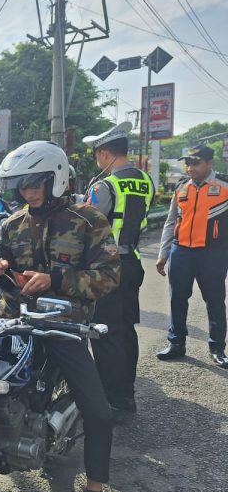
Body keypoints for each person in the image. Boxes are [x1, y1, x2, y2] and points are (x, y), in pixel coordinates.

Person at [0, 140, 127, 492]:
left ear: (56, 178)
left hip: (64, 326)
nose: (28, 192)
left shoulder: (89, 221)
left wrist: (57, 280)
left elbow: (110, 276)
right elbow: (10, 276)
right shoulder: (10, 225)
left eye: (36, 183)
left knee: (98, 412)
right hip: (16, 322)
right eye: (22, 185)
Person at [84, 121, 154, 421]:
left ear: (104, 154)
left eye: (96, 154)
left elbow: (88, 225)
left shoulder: (104, 186)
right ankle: (126, 391)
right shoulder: (146, 181)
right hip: (133, 263)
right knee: (126, 330)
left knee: (105, 333)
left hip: (107, 266)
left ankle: (111, 399)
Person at [155, 144, 228, 369]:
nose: (190, 167)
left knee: (215, 301)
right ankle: (176, 344)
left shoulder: (225, 185)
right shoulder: (181, 187)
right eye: (187, 163)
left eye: (195, 163)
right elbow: (170, 222)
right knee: (177, 299)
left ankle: (217, 349)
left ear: (209, 163)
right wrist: (163, 253)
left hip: (213, 253)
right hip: (181, 252)